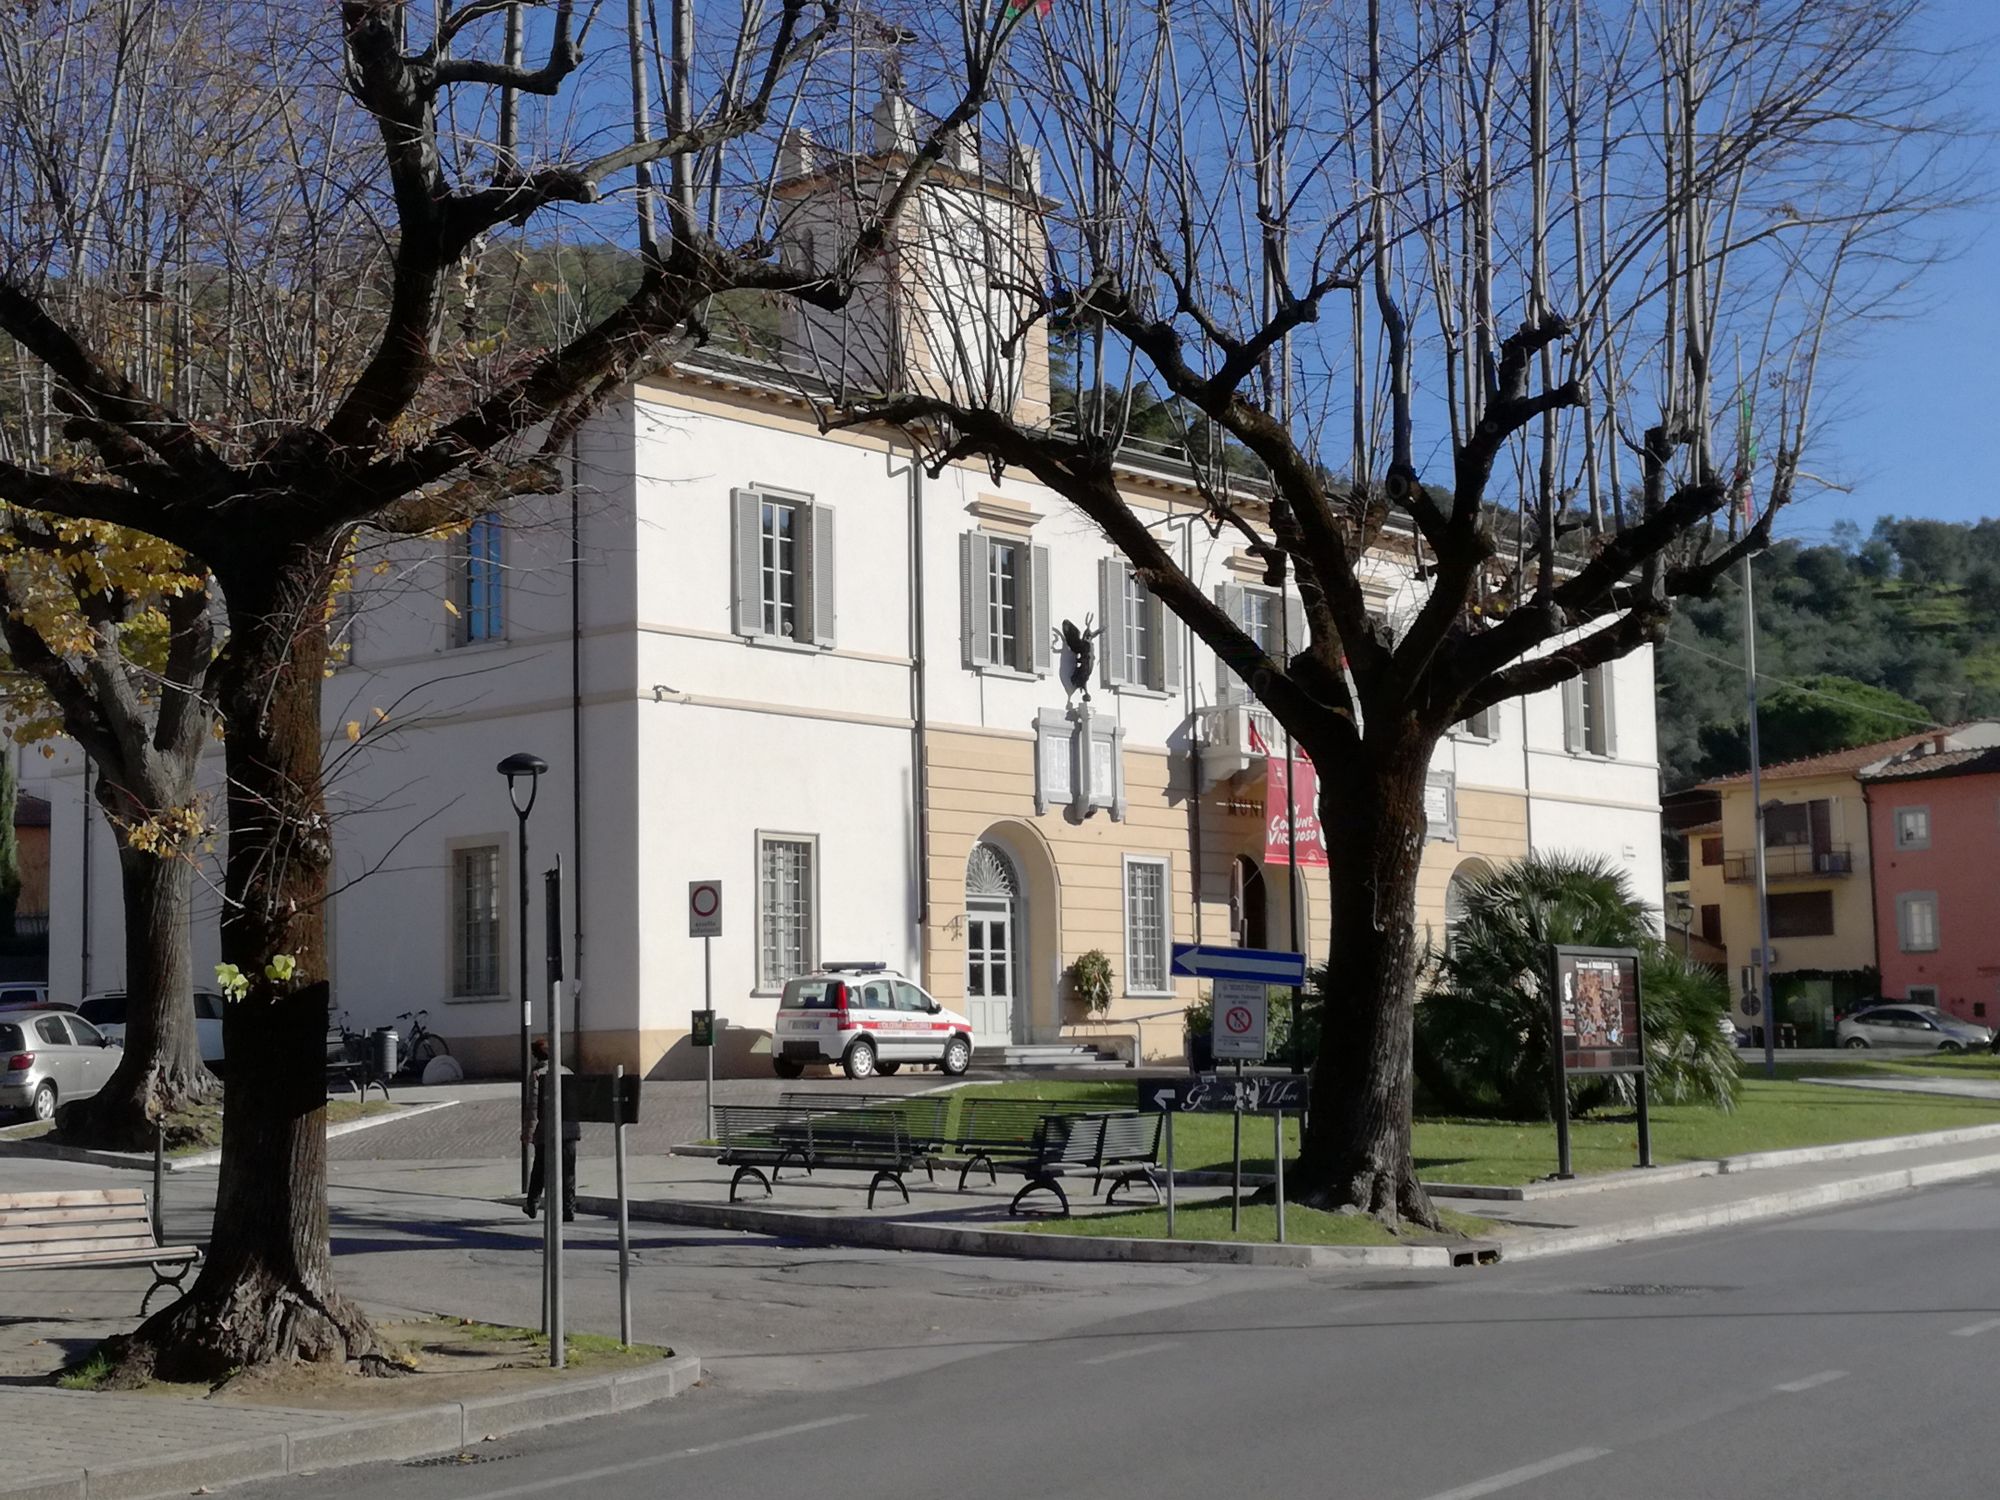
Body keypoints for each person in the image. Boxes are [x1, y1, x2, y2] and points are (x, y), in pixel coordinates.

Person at [523, 1036, 579, 1221]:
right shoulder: (567, 1072)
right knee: (568, 1170)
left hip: (548, 1128)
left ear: (536, 1056)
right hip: (570, 1128)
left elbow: (533, 1106)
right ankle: (568, 1208)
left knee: (540, 1167)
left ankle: (532, 1202)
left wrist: (528, 1133)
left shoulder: (537, 1075)